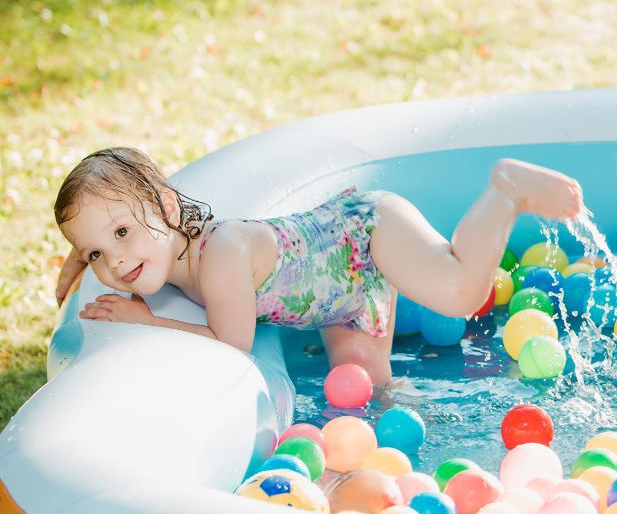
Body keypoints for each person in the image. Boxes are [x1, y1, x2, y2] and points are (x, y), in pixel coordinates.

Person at [53, 147, 583, 385]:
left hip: (365, 235)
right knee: (368, 392)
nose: (115, 259)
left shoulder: (219, 257)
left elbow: (231, 342)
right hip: (340, 297)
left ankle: (506, 190)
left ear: (169, 209)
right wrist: (86, 255)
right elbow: (111, 242)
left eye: (121, 233)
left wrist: (149, 322)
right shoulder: (155, 248)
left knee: (464, 293)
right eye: (97, 252)